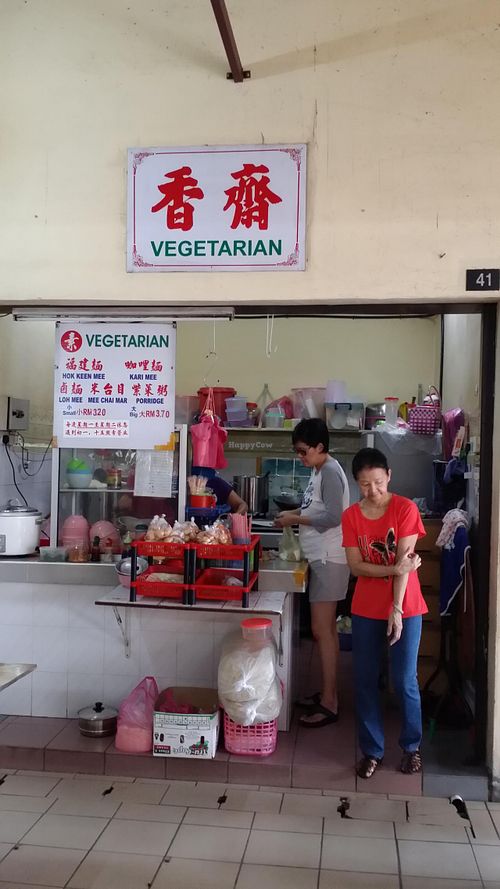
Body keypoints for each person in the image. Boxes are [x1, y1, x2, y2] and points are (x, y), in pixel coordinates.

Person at [341, 447, 426, 779]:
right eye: (364, 484)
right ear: (356, 484)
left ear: (389, 476)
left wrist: (396, 608)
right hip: (365, 608)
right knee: (364, 680)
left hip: (407, 605)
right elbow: (355, 565)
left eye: (378, 482)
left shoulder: (405, 509)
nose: (373, 490)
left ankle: (411, 748)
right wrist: (392, 567)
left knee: (404, 680)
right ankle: (372, 751)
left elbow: (405, 566)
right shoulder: (351, 516)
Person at [274, 418, 350, 727]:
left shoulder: (330, 471)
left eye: (304, 452)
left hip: (330, 559)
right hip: (321, 558)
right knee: (324, 631)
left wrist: (294, 520)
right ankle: (326, 693)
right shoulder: (319, 470)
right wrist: (293, 515)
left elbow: (333, 516)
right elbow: (315, 510)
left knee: (322, 631)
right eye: (297, 452)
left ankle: (330, 702)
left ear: (320, 447)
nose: (300, 458)